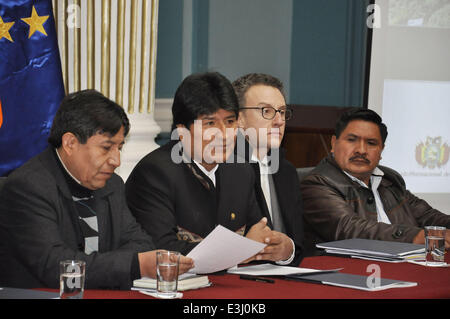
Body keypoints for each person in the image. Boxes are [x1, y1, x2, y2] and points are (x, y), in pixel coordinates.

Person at [0, 90, 193, 289]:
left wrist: (120, 264)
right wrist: (136, 265)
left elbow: (141, 244)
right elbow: (55, 267)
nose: (116, 161)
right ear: (70, 143)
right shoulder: (28, 187)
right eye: (106, 148)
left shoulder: (112, 184)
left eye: (119, 147)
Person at [126, 72, 284, 262]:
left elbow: (259, 233)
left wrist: (283, 248)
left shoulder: (241, 171)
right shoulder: (154, 172)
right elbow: (163, 250)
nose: (224, 135)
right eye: (210, 123)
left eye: (230, 122)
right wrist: (239, 251)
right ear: (182, 131)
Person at [300, 108, 450, 255]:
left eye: (371, 143)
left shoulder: (389, 180)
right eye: (352, 140)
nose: (361, 150)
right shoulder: (317, 184)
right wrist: (415, 236)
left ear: (381, 150)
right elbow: (350, 228)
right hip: (348, 271)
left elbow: (428, 216)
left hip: (405, 265)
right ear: (333, 144)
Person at [232, 73, 304, 265]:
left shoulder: (286, 171)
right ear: (239, 119)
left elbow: (299, 242)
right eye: (266, 111)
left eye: (282, 112)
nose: (279, 121)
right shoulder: (225, 169)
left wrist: (288, 250)